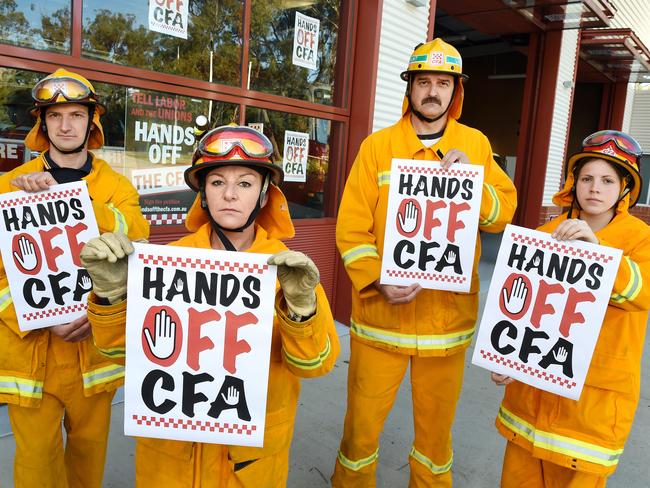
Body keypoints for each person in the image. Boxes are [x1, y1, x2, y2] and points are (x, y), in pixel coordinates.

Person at [80, 124, 340, 487]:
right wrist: (112, 295)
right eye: (217, 182)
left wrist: (300, 309)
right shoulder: (169, 263)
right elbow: (118, 352)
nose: (230, 194)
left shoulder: (288, 268)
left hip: (248, 466)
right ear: (202, 192)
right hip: (169, 463)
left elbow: (315, 364)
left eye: (245, 183)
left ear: (265, 195)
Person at [332, 38, 517, 487]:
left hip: (446, 325)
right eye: (423, 82)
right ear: (410, 88)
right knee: (360, 433)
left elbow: (502, 215)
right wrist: (378, 280)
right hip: (381, 322)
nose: (432, 92)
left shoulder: (475, 144)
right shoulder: (377, 147)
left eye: (442, 83)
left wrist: (473, 186)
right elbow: (351, 229)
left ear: (456, 92)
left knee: (436, 441)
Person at [0, 68, 149, 487]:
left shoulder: (118, 188)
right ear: (42, 124)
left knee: (86, 469)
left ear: (92, 121)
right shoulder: (9, 187)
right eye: (55, 116)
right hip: (31, 360)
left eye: (76, 115)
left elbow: (137, 240)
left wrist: (73, 199)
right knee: (35, 472)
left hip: (93, 354)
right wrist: (40, 314)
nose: (66, 125)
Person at [492, 130, 650, 487]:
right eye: (587, 178)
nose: (595, 188)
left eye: (608, 180)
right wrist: (505, 360)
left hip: (589, 412)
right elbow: (520, 310)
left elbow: (643, 294)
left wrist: (599, 254)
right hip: (529, 406)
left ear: (625, 189)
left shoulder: (641, 239)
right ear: (573, 183)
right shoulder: (544, 234)